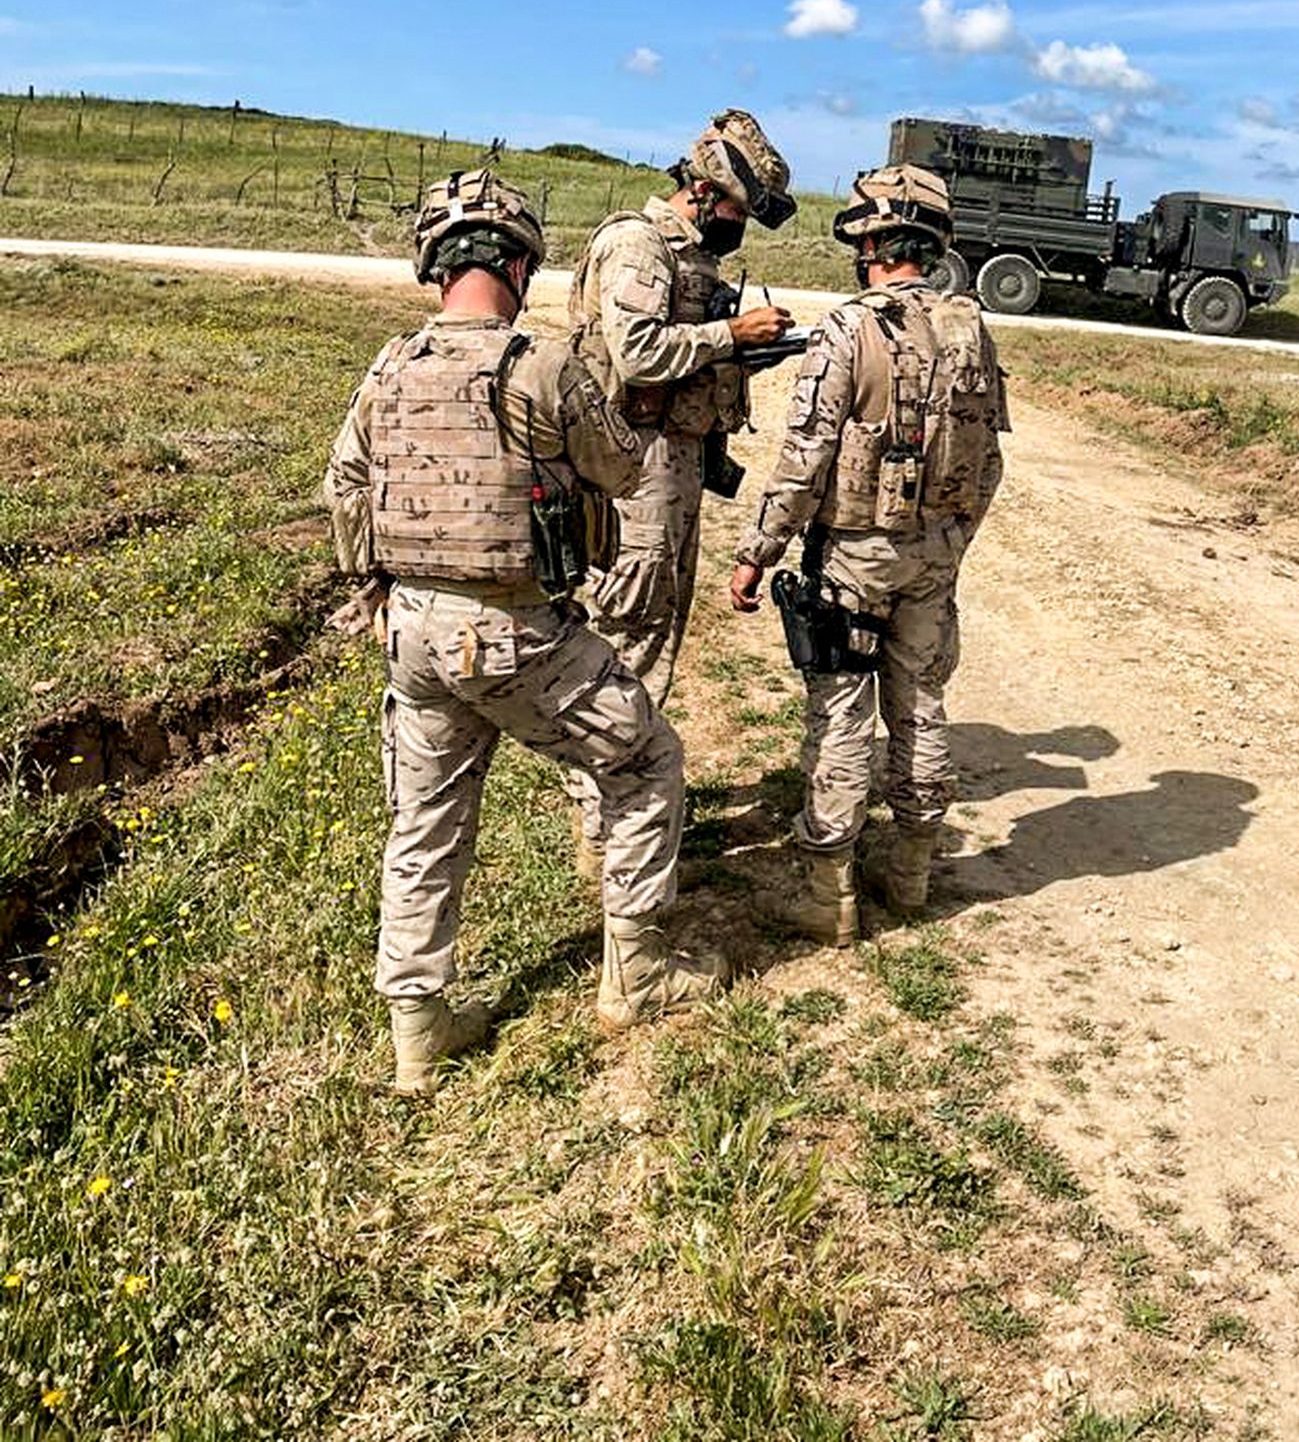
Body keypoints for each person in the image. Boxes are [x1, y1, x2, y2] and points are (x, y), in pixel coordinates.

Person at [323, 168, 724, 1095]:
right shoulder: (538, 365)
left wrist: (391, 576)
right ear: (518, 263)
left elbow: (345, 487)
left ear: (435, 264)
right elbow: (623, 471)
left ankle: (418, 1032)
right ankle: (638, 972)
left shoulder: (390, 364)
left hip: (414, 635)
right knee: (644, 758)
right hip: (519, 635)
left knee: (423, 824)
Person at [727, 163, 1008, 944]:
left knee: (843, 716)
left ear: (875, 243)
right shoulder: (970, 328)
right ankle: (910, 872)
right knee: (920, 704)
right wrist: (952, 540)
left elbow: (804, 457)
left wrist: (757, 552)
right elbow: (989, 461)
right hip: (932, 556)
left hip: (853, 555)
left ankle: (830, 891)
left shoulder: (852, 330)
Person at [566, 107, 796, 706]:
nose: (739, 225)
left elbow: (683, 351)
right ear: (701, 189)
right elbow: (638, 353)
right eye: (737, 211)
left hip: (676, 459)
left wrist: (747, 353)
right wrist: (732, 337)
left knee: (660, 619)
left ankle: (633, 764)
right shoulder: (639, 244)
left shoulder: (693, 255)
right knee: (631, 623)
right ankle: (610, 780)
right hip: (635, 462)